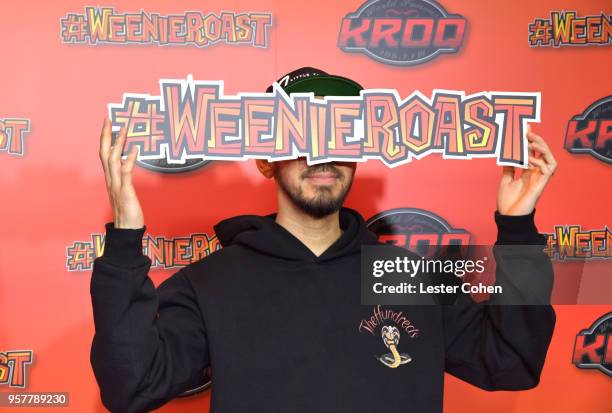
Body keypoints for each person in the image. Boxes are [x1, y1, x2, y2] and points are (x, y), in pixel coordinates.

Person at [90, 67, 558, 413]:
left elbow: (512, 362)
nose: (323, 155)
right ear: (265, 160)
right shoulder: (211, 283)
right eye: (301, 134)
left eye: (341, 134)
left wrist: (518, 229)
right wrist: (127, 237)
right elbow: (131, 386)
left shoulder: (404, 277)